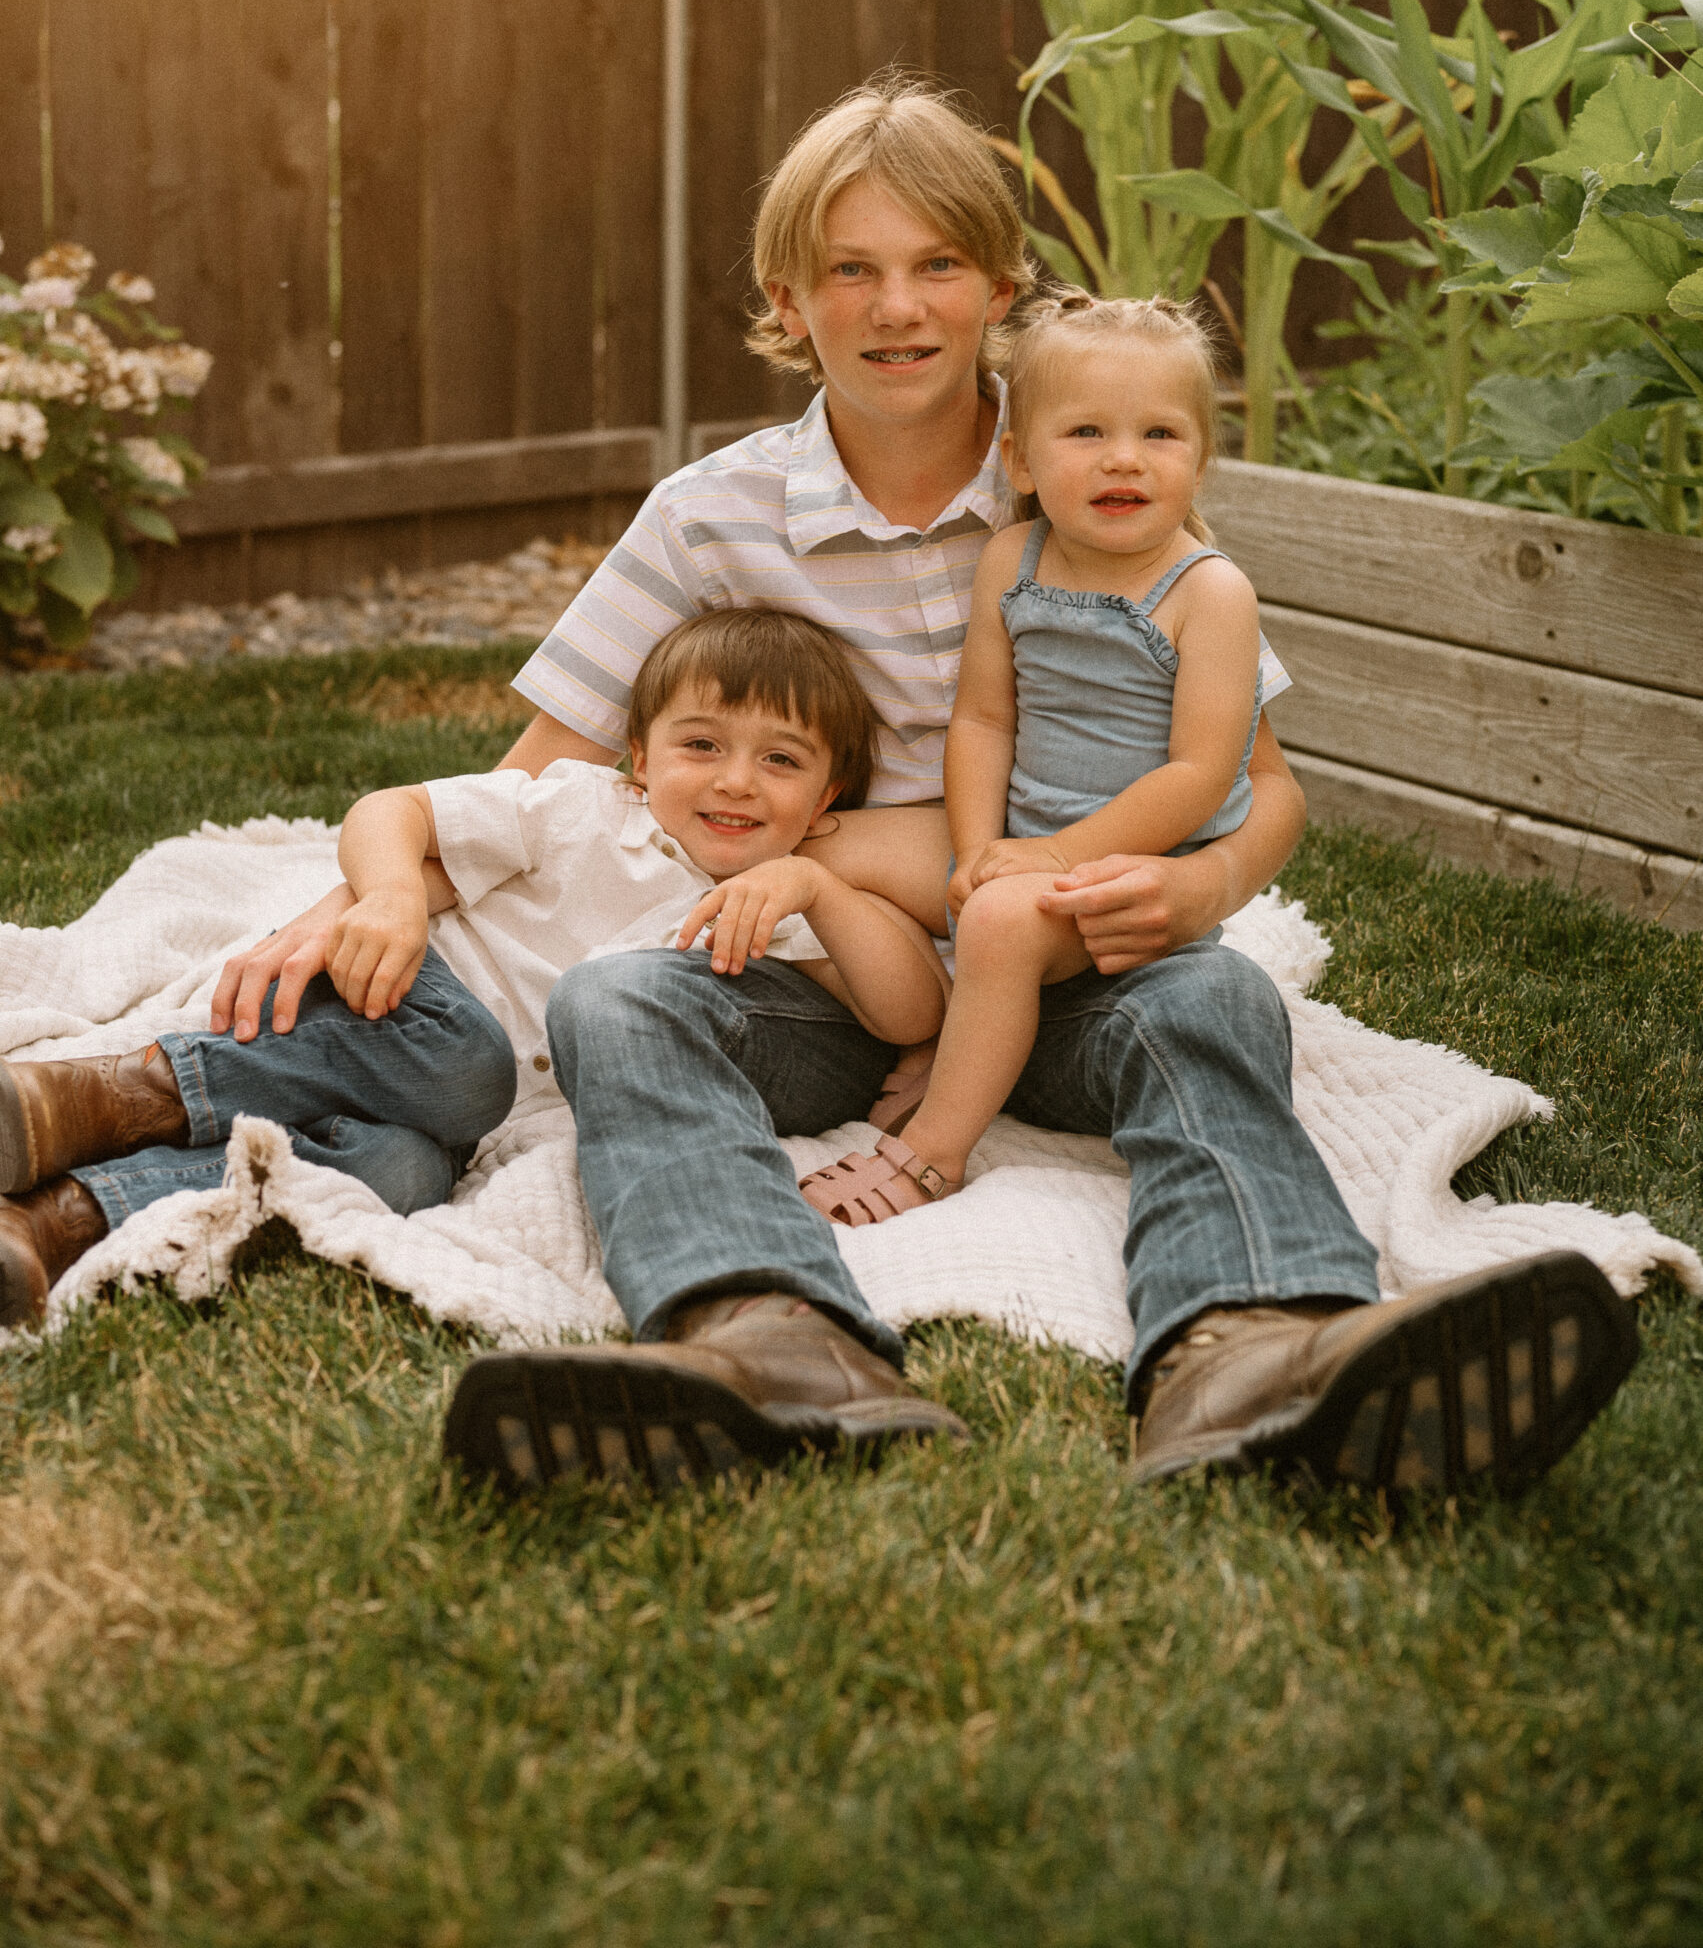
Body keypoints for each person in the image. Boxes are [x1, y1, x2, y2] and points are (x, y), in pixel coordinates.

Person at [204, 77, 1638, 1501]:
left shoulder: (1090, 453)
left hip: (1069, 968)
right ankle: (760, 1335)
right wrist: (355, 899)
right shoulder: (708, 518)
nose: (897, 309)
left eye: (935, 266)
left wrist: (1198, 887)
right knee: (612, 1000)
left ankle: (1255, 1346)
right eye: (852, 271)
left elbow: (1257, 782)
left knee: (1216, 998)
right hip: (820, 989)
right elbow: (542, 778)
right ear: (788, 298)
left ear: (997, 285)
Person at [0, 610, 949, 1409]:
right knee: (468, 1063)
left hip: (466, 1124)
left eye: (779, 760)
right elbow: (390, 809)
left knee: (396, 1173)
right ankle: (90, 1097)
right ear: (637, 759)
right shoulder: (578, 809)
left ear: (827, 800)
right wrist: (389, 899)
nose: (735, 779)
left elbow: (909, 1011)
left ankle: (55, 1222)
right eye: (700, 745)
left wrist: (816, 891)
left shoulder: (771, 908)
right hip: (400, 1011)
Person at [797, 290, 1268, 1225]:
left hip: (1130, 867)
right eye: (1085, 431)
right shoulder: (1013, 558)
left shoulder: (1208, 593)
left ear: (1201, 460)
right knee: (823, 846)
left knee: (1007, 921)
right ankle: (935, 1019)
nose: (1123, 457)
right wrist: (974, 851)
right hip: (1019, 845)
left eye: (1161, 435)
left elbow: (1200, 776)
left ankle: (932, 1149)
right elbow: (981, 723)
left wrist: (1049, 861)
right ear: (1019, 456)